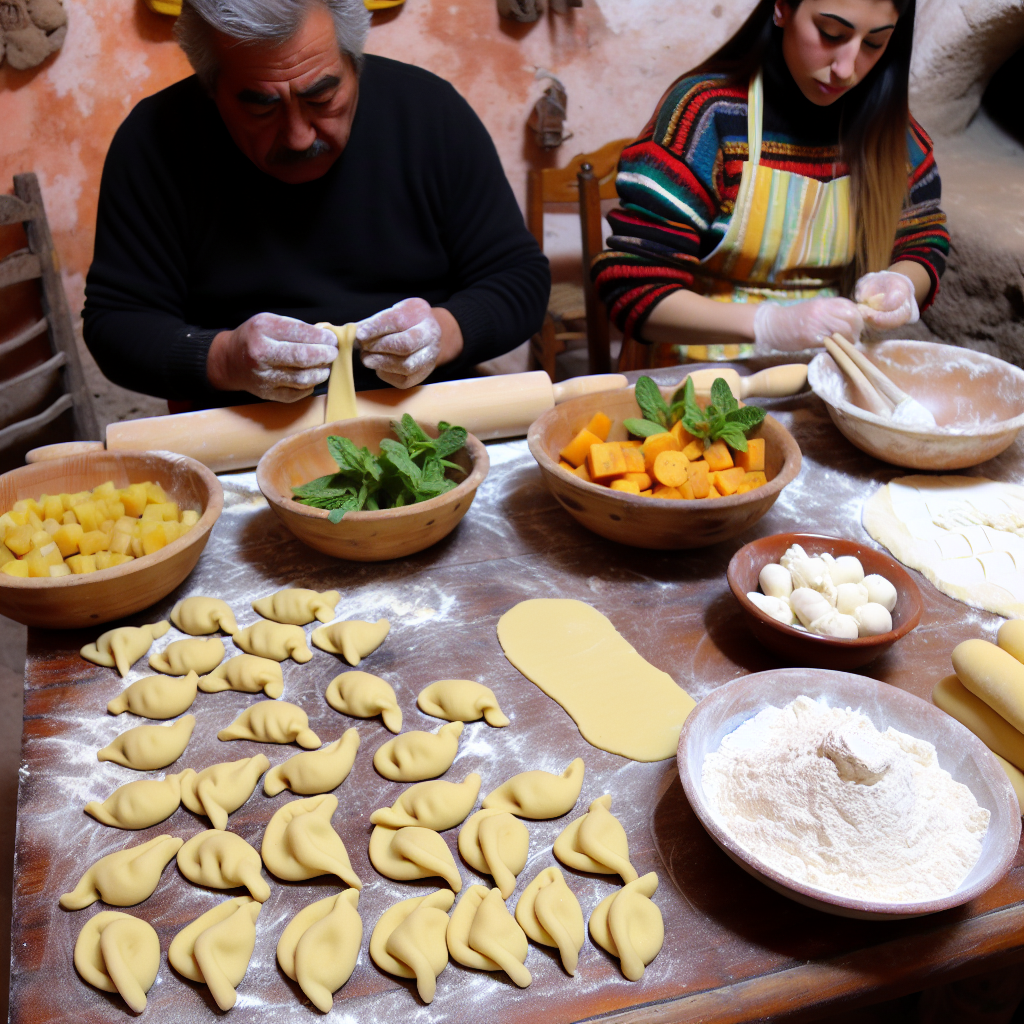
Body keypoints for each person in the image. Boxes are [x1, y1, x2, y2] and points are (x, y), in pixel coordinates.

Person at [83, 0, 549, 408]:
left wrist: (445, 332)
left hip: (426, 414)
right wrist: (224, 357)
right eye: (261, 107)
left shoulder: (429, 113)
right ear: (210, 88)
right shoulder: (156, 141)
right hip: (242, 430)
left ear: (354, 62)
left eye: (322, 97)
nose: (299, 136)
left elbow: (519, 278)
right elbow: (117, 324)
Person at [593, 0, 949, 365]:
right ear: (781, 8)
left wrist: (901, 284)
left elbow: (922, 242)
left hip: (826, 373)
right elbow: (633, 285)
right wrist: (769, 324)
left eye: (874, 44)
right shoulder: (708, 115)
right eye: (831, 34)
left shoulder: (892, 134)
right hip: (692, 376)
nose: (846, 69)